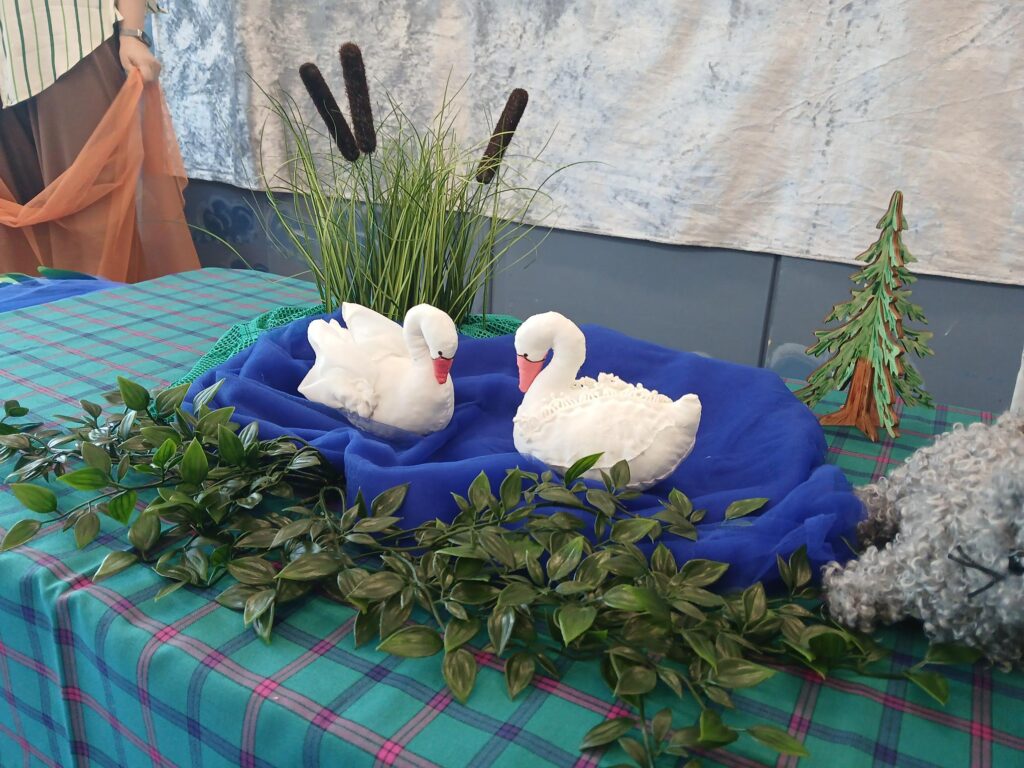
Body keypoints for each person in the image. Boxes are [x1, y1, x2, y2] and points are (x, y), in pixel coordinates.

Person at [0, 0, 199, 281]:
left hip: (71, 43)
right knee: (12, 239)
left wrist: (132, 35)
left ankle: (106, 307)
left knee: (92, 216)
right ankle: (38, 310)